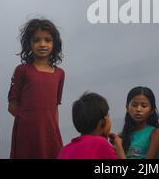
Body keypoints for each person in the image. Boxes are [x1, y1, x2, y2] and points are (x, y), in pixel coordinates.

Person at [8, 18, 65, 159]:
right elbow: (12, 107)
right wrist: (32, 123)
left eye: (47, 40)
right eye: (36, 40)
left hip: (50, 135)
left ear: (54, 44)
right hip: (27, 134)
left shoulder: (60, 74)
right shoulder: (22, 70)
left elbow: (55, 108)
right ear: (29, 44)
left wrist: (49, 128)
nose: (42, 44)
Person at [57, 92, 125, 159]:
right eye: (108, 116)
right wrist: (120, 149)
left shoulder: (64, 151)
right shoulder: (101, 144)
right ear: (103, 122)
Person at [119, 86, 159, 159]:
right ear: (127, 108)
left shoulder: (155, 133)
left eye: (144, 106)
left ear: (152, 110)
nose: (138, 109)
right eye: (134, 105)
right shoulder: (122, 136)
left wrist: (119, 148)